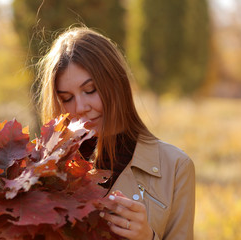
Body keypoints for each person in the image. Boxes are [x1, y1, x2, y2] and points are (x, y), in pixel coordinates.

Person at [35, 26, 195, 240]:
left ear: (116, 84)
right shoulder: (45, 168)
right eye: (67, 98)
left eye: (90, 90)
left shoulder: (175, 166)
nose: (80, 106)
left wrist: (149, 238)